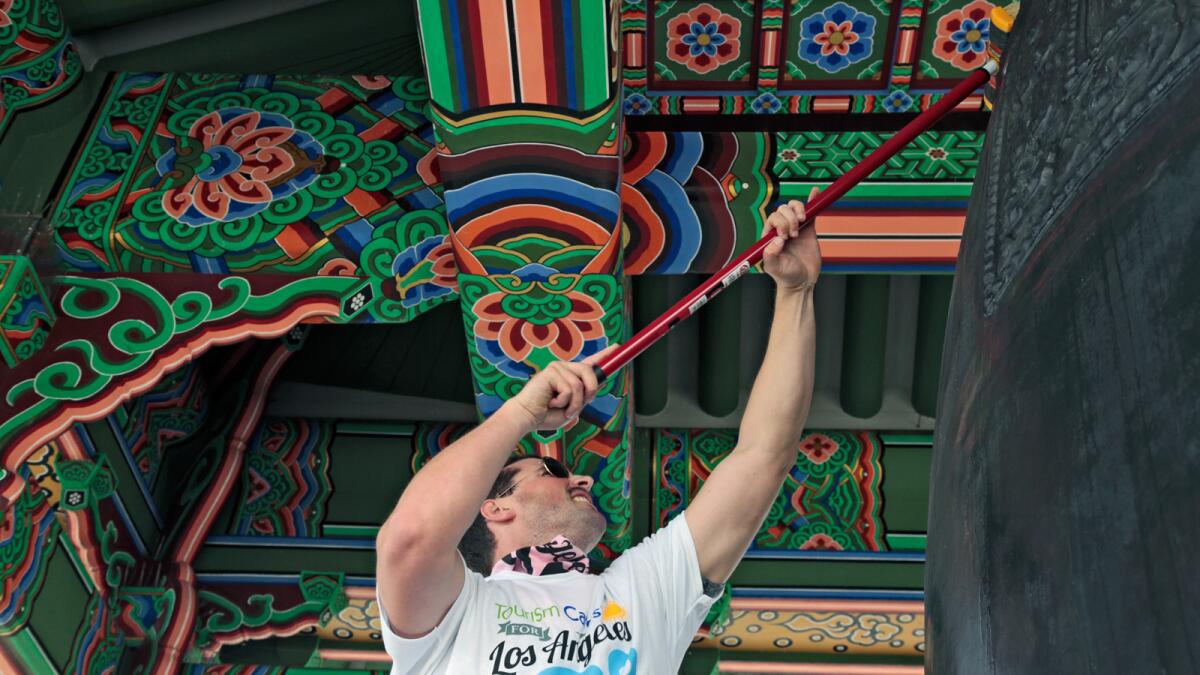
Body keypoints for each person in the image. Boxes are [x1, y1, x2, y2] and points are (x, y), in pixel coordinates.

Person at [375, 193, 821, 674]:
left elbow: (763, 456)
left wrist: (796, 293)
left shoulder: (638, 591)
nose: (582, 480)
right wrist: (520, 412)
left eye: (553, 468)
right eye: (552, 469)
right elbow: (412, 539)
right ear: (495, 508)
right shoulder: (456, 611)